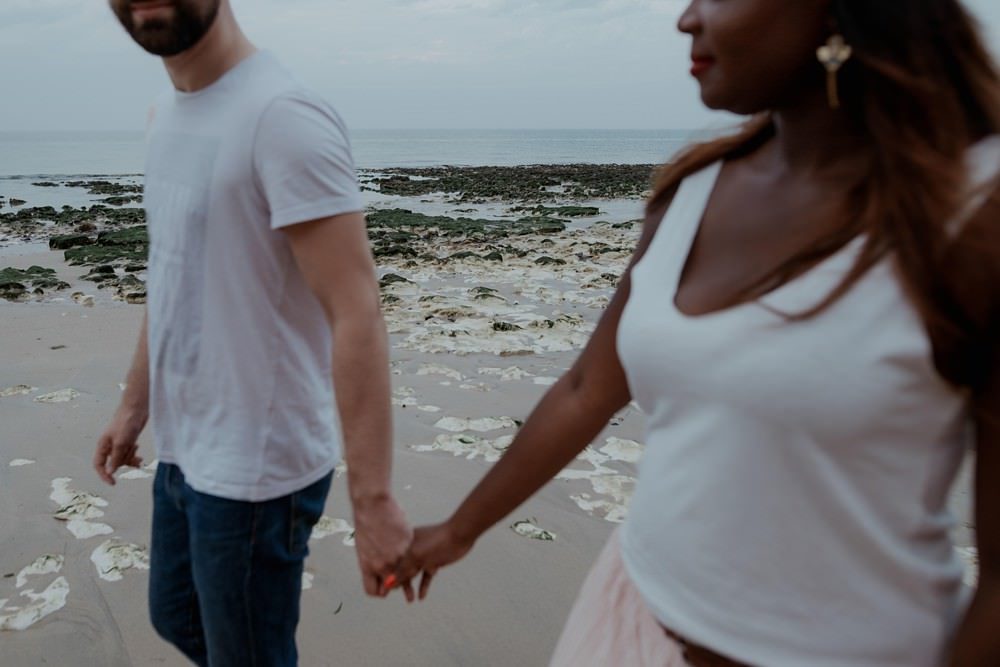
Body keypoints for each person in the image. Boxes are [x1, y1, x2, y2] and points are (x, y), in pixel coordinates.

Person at [398, 1, 1000, 665]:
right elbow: (584, 390)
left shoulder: (974, 214)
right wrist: (458, 530)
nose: (687, 18)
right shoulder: (692, 191)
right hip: (628, 624)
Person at [94, 1, 413, 664]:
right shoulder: (165, 117)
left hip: (258, 470)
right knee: (175, 614)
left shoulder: (282, 117)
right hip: (188, 444)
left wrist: (374, 500)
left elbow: (357, 309)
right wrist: (135, 404)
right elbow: (172, 277)